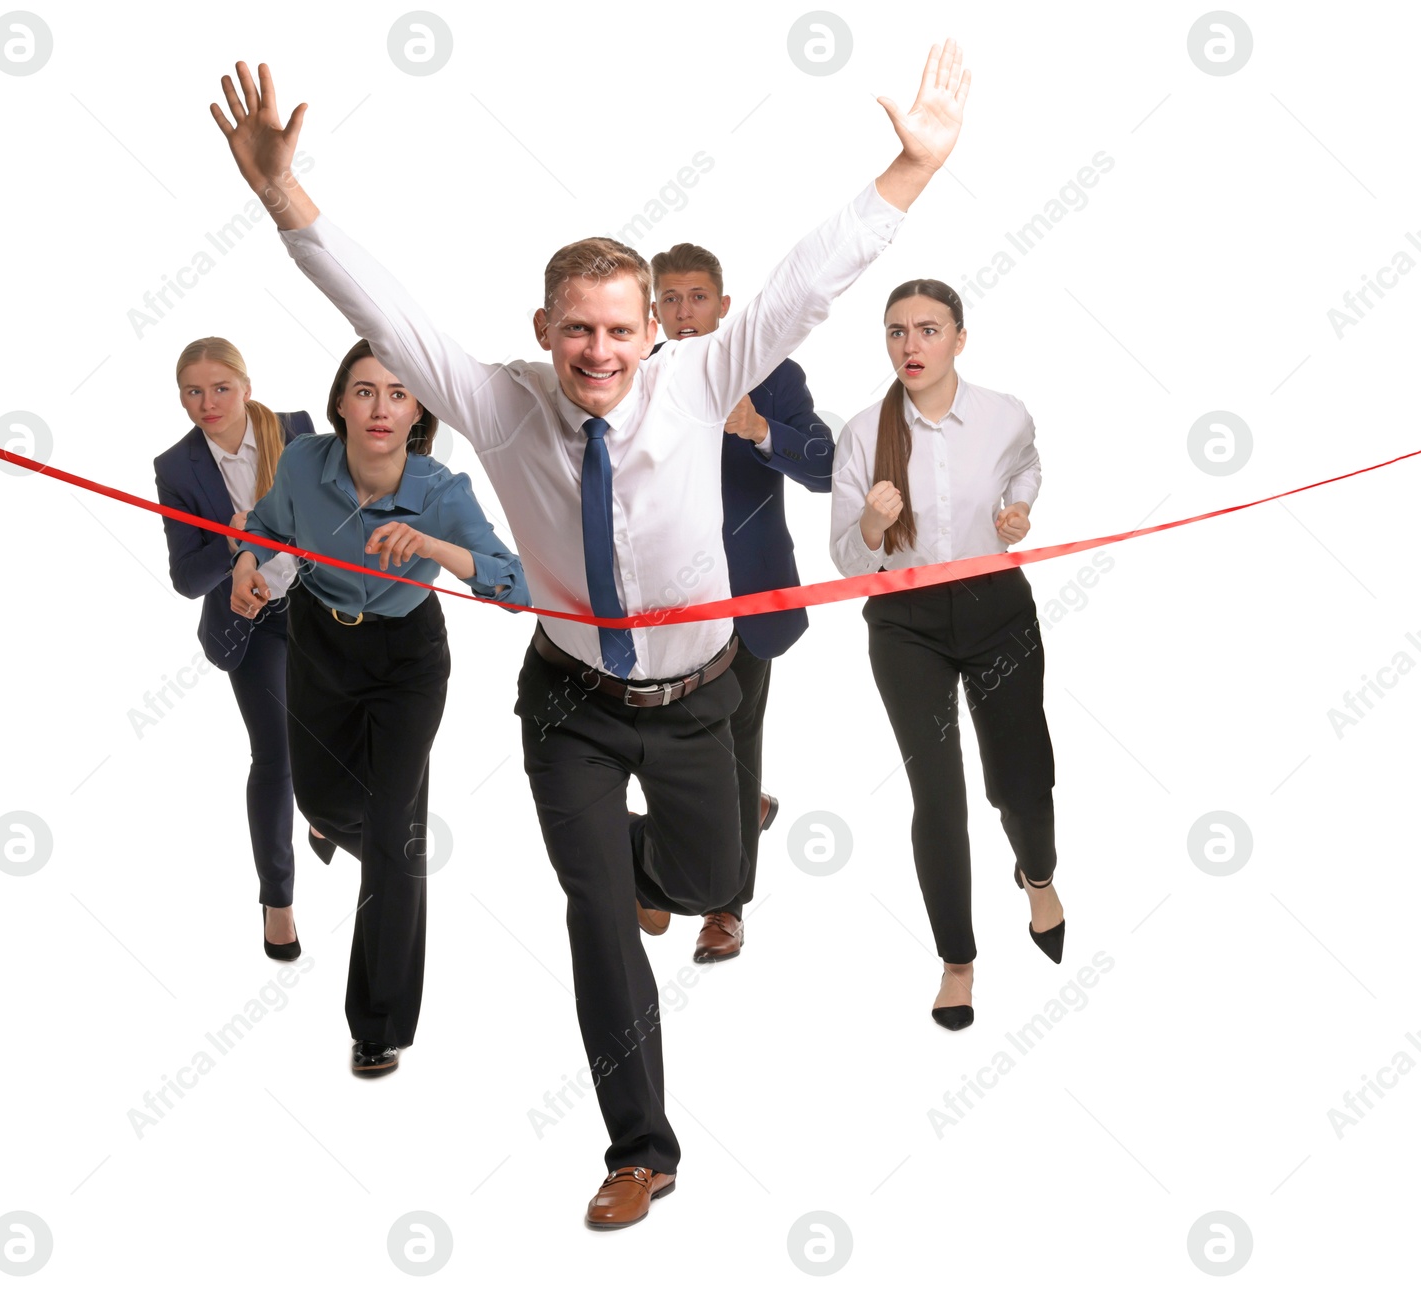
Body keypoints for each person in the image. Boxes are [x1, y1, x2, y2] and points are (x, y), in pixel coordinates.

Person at [209, 40, 970, 1226]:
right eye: (577, 331)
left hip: (697, 697)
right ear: (544, 328)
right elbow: (382, 308)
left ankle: (652, 855)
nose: (600, 353)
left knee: (715, 877)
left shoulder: (702, 372)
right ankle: (641, 1147)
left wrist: (907, 171)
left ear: (651, 335)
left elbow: (801, 285)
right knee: (599, 918)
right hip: (567, 706)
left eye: (620, 331)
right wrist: (281, 196)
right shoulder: (497, 401)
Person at [229, 339, 527, 1078]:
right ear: (340, 403)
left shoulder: (442, 488)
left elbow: (514, 583)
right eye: (365, 391)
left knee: (394, 839)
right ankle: (378, 848)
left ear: (419, 407)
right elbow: (266, 526)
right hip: (319, 643)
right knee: (321, 800)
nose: (381, 407)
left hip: (407, 660)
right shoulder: (302, 463)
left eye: (398, 393)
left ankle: (379, 1024)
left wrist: (435, 545)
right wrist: (245, 563)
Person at [829, 278, 1065, 1033]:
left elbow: (1027, 463)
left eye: (928, 330)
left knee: (1020, 779)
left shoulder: (1005, 414)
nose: (911, 345)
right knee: (938, 795)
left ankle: (1038, 873)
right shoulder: (865, 434)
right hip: (906, 626)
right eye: (897, 331)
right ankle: (957, 960)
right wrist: (869, 524)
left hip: (997, 610)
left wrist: (1019, 507)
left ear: (960, 338)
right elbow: (844, 561)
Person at [646, 244, 836, 963]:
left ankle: (725, 906)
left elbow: (825, 468)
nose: (685, 311)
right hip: (663, 601)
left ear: (724, 306)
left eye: (698, 297)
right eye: (671, 298)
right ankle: (738, 807)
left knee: (735, 739)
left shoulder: (771, 374)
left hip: (747, 598)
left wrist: (760, 430)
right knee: (654, 742)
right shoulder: (636, 377)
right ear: (654, 308)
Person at [154, 337, 313, 962]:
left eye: (220, 388)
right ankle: (279, 901)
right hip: (251, 626)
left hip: (318, 606)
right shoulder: (176, 468)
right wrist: (230, 541)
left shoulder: (295, 431)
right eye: (192, 392)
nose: (207, 403)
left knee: (345, 733)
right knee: (276, 755)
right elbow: (186, 578)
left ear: (246, 387)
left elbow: (339, 513)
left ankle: (326, 815)